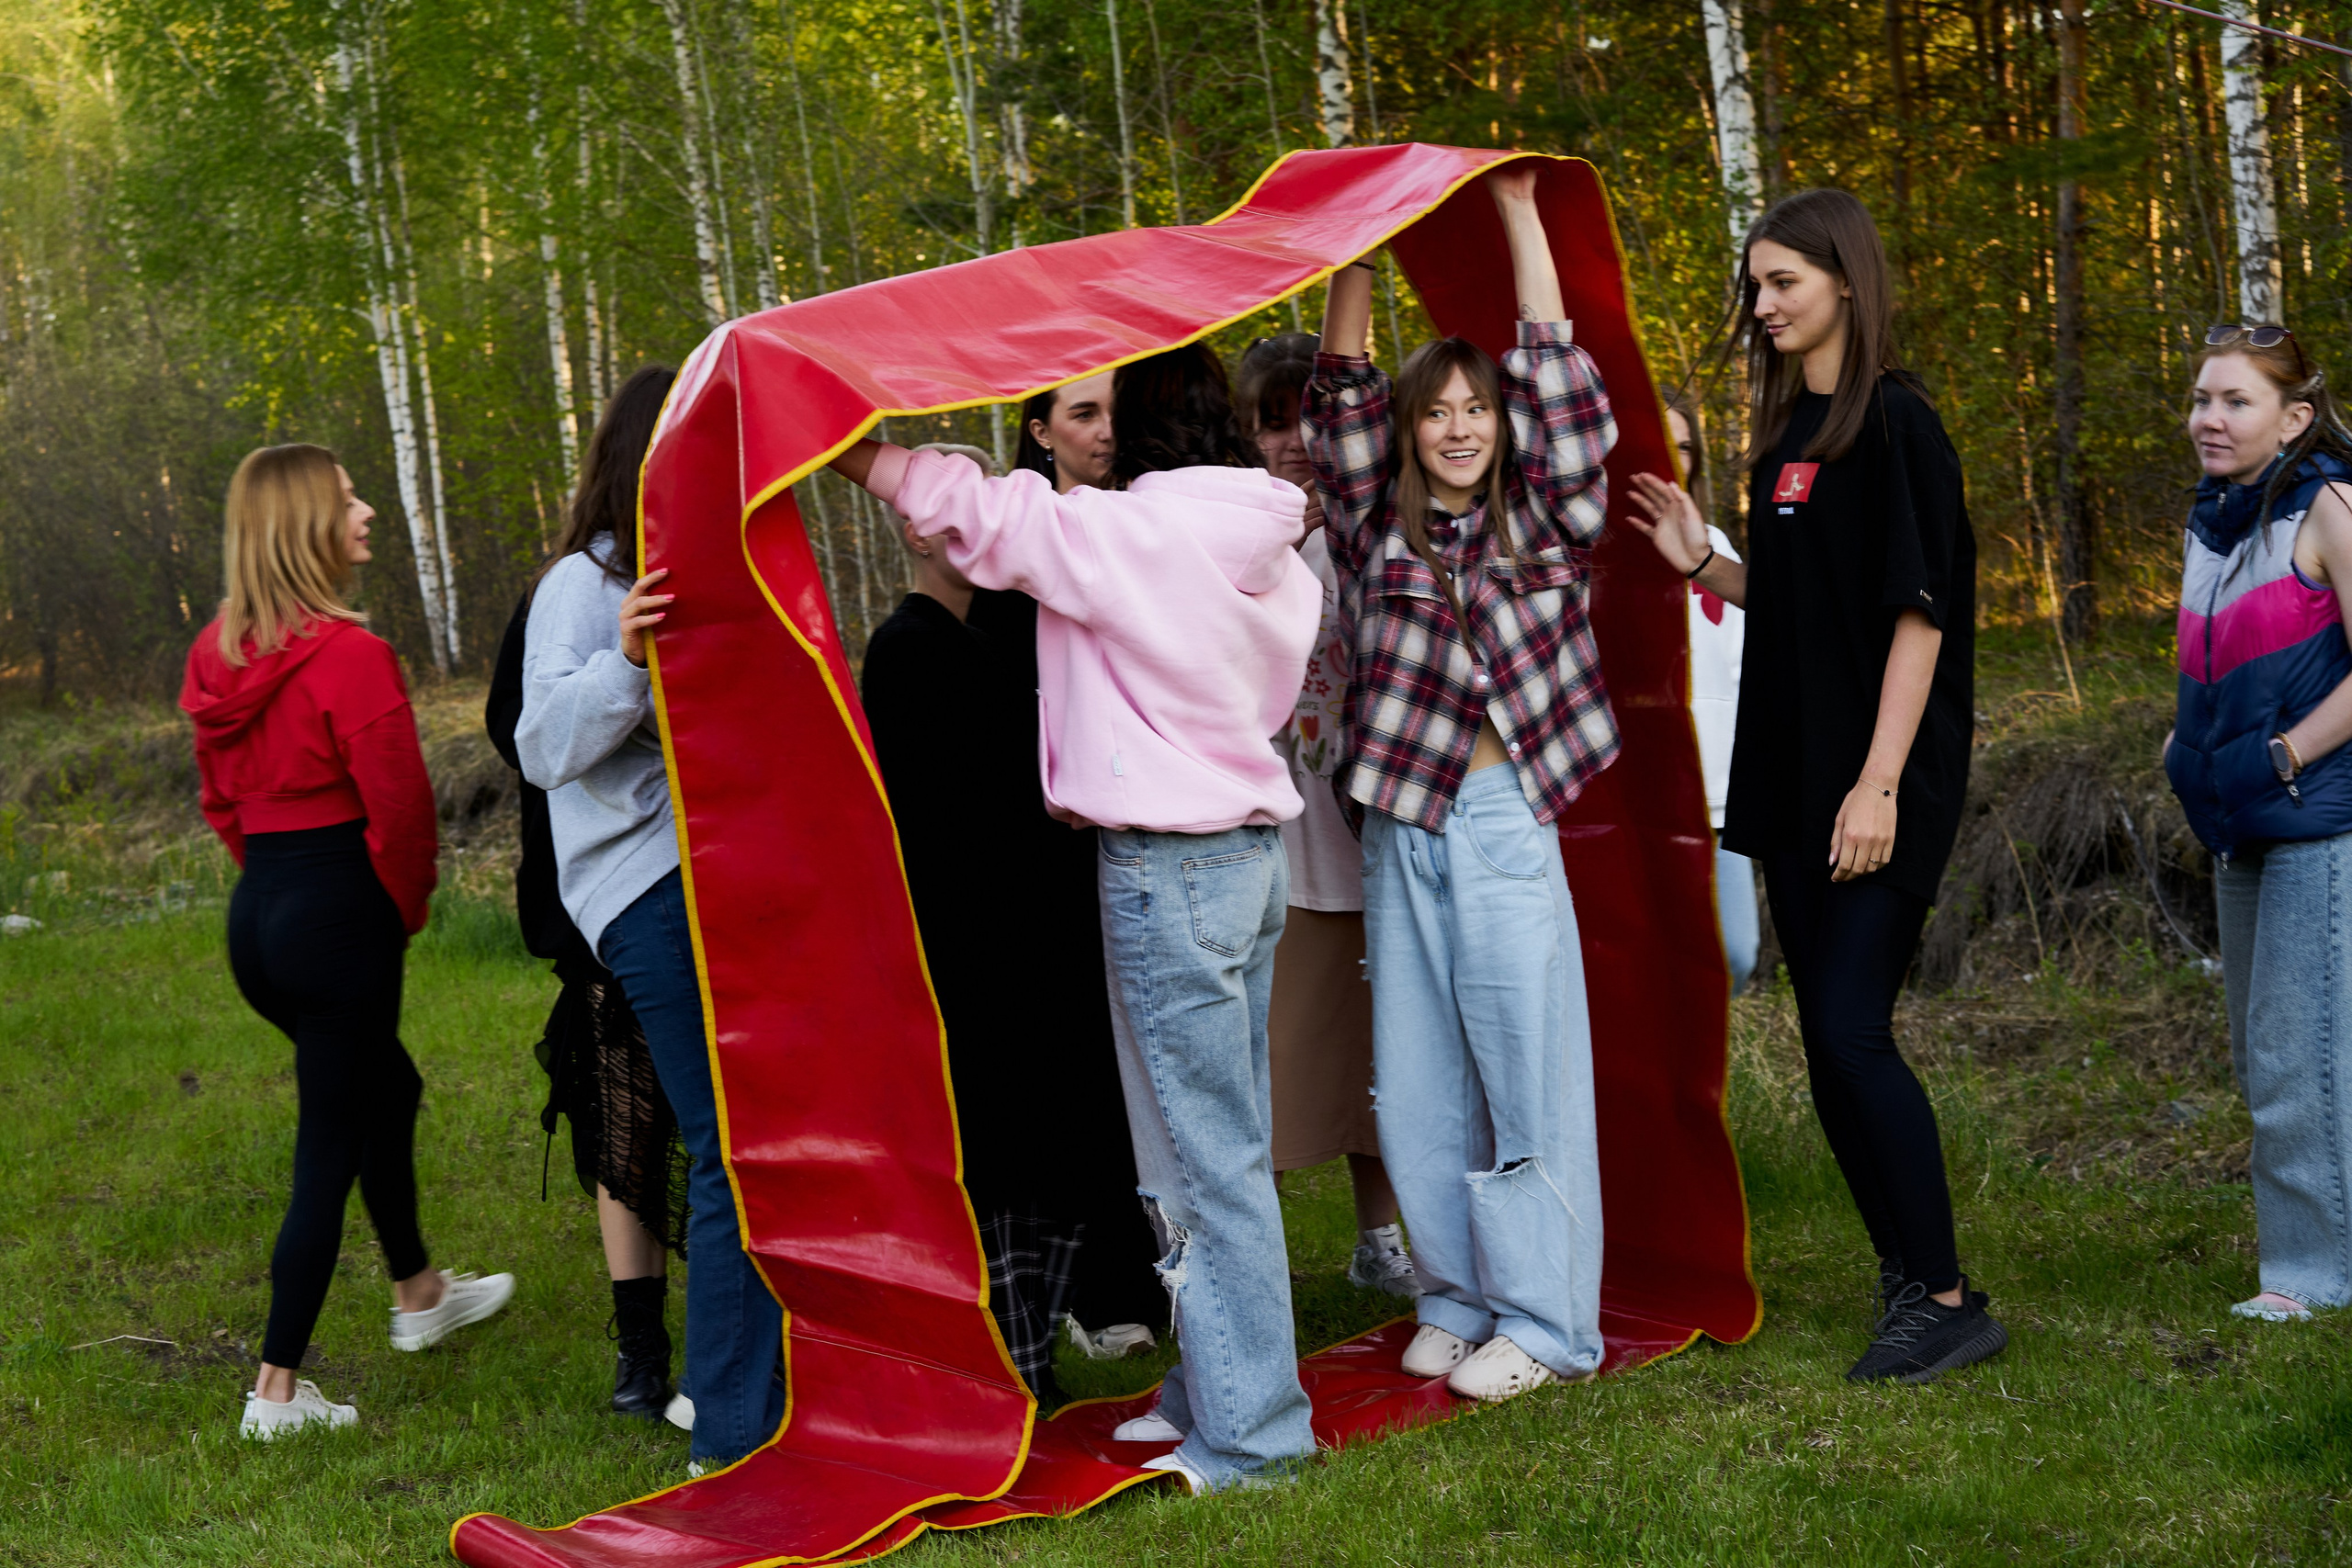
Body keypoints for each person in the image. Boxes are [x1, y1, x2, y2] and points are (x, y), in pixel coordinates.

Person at [829, 342, 1321, 1494]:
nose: (1096, 438)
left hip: (1171, 868)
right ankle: (1215, 1389)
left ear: (1146, 428)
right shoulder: (1252, 531)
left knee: (1207, 1166)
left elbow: (970, 505)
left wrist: (847, 445)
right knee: (1193, 1152)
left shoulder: (1134, 535)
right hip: (1242, 857)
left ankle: (1254, 1438)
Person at [1627, 186, 2005, 1382]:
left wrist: (1882, 783)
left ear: (1846, 277)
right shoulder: (1791, 438)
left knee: (1850, 1027)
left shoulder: (1899, 426)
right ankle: (1909, 1275)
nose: (1764, 300)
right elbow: (1794, 608)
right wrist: (1704, 559)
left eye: (1783, 278)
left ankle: (1945, 1293)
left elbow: (1917, 614)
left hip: (1876, 784)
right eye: (1756, 282)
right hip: (1792, 782)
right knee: (1828, 1034)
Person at [1305, 164, 1616, 1404]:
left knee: (1524, 1064)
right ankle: (1456, 1294)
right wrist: (1354, 245)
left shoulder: (1550, 516)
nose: (1455, 427)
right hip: (1402, 821)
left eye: (1473, 409)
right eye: (1433, 410)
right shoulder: (1371, 528)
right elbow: (1335, 398)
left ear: (1501, 424)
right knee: (1419, 1073)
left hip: (1499, 817)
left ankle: (1547, 1320)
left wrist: (1521, 218)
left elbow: (1556, 370)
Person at [182, 444, 514, 1441]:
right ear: (305, 528)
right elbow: (404, 813)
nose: (367, 511)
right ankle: (275, 1390)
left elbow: (218, 801)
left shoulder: (215, 654)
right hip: (335, 912)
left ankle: (419, 1290)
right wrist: (395, 912)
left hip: (264, 915)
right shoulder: (353, 657)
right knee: (327, 1144)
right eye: (348, 500)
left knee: (387, 1087)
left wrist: (279, 892)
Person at [517, 365, 786, 1472]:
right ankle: (726, 1428)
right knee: (729, 1151)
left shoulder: (719, 566)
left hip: (736, 879)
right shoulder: (581, 589)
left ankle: (752, 1397)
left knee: (760, 1146)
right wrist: (627, 658)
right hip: (647, 893)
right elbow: (540, 747)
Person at [859, 438, 1161, 1405]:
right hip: (978, 944)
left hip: (1048, 927)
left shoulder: (1009, 625)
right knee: (1005, 1144)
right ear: (914, 525)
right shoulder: (906, 649)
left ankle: (1073, 1311)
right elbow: (953, 818)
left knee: (1066, 1127)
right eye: (950, 504)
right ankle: (1011, 1346)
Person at [488, 486, 688, 1425]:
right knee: (624, 1109)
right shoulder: (571, 592)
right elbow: (522, 732)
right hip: (602, 882)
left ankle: (687, 1348)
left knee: (676, 1109)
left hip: (672, 877)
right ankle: (641, 1353)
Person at [2165, 323, 2352, 1323]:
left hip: (2314, 818)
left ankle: (2312, 1278)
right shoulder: (2217, 519)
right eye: (2201, 399)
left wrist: (2289, 754)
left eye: (2234, 401)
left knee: (2296, 1057)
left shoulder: (2329, 507)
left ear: (2294, 416)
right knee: (2267, 1051)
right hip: (2236, 816)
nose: (2209, 418)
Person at [1237, 333, 1417, 1297]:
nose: (1293, 440)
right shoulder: (1227, 539)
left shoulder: (1380, 526)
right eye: (1270, 422)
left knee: (1382, 1063)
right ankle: (1241, 1260)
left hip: (1376, 841)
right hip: (1277, 848)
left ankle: (1380, 1238)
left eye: (1307, 415)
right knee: (1269, 1065)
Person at [1666, 392, 1758, 996]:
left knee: (1738, 952)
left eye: (1684, 448)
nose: (1673, 462)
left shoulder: (1717, 548)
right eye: (1658, 445)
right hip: (1638, 794)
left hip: (1719, 795)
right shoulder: (1590, 552)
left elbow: (1747, 664)